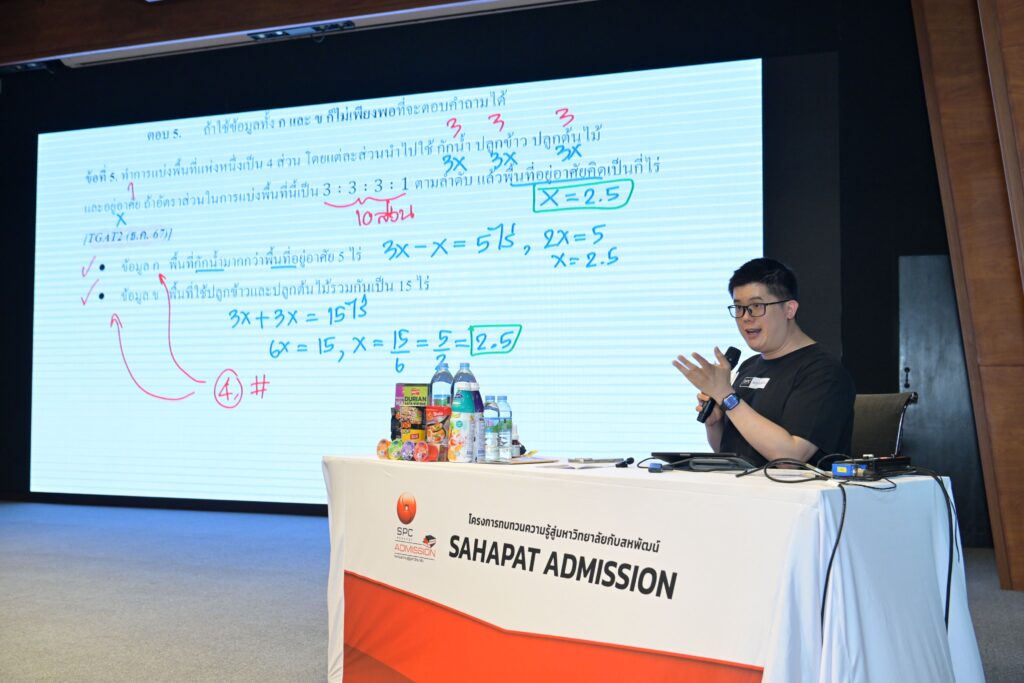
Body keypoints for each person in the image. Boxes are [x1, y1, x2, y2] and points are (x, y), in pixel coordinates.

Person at [672, 258, 854, 466]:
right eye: (738, 307)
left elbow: (790, 458)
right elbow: (730, 453)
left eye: (756, 306)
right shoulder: (748, 366)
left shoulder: (822, 371)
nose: (745, 317)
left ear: (789, 309)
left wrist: (726, 396)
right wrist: (714, 424)